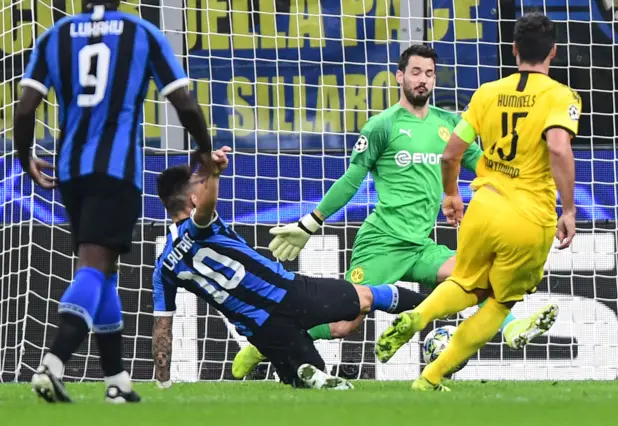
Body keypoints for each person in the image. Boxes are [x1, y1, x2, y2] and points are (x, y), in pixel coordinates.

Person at [232, 44, 558, 379]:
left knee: (480, 279)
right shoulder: (382, 126)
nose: (423, 80)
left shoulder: (449, 124)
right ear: (399, 76)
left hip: (420, 246)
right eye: (416, 72)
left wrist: (535, 195)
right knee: (345, 324)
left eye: (429, 74)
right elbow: (350, 179)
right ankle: (262, 345)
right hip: (382, 242)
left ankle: (512, 328)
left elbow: (490, 168)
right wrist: (311, 221)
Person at [14, 0, 213, 403]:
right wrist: (204, 150)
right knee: (93, 267)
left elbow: (24, 110)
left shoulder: (54, 35)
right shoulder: (141, 32)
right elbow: (185, 104)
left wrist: (24, 157)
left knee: (102, 270)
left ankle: (117, 381)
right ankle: (51, 365)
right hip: (116, 171)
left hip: (69, 170)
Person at [375, 12, 581, 391]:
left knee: (466, 283)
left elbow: (451, 153)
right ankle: (430, 377)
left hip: (483, 207)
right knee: (500, 303)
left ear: (514, 49)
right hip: (528, 216)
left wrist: (452, 194)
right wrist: (568, 210)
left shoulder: (487, 93)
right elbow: (557, 146)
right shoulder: (561, 96)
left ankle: (417, 317)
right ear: (553, 52)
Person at [152, 148, 428, 389]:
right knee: (366, 297)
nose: (205, 189)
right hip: (290, 293)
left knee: (312, 374)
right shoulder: (200, 226)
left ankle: (302, 372)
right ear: (193, 201)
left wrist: (163, 381)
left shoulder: (163, 266)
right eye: (200, 186)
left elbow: (162, 328)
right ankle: (432, 306)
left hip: (261, 330)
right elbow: (204, 210)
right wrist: (214, 173)